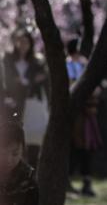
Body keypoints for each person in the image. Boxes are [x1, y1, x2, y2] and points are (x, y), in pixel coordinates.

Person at [0, 29, 49, 169]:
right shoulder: (8, 60)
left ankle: (32, 170)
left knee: (34, 138)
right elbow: (8, 81)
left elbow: (42, 78)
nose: (22, 45)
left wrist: (26, 82)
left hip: (33, 103)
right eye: (19, 41)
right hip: (14, 104)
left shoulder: (37, 61)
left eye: (26, 42)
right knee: (17, 137)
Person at [65, 38, 100, 197]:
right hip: (75, 113)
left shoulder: (83, 65)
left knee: (86, 148)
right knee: (75, 147)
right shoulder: (69, 65)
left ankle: (86, 182)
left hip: (87, 112)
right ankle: (69, 180)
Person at [0, 120, 39, 205]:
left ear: (22, 151)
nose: (8, 160)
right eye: (2, 153)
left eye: (15, 154)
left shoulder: (29, 182)